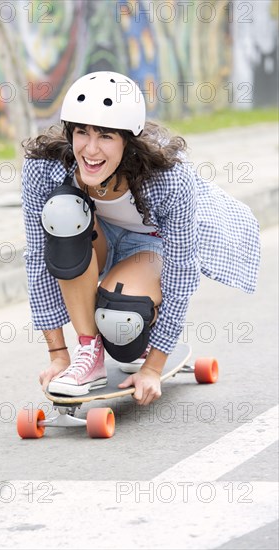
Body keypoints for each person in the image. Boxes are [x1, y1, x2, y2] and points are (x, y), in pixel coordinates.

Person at [21, 71, 260, 406]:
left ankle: (140, 330)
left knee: (121, 325)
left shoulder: (168, 177)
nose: (90, 149)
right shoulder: (44, 169)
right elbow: (37, 256)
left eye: (105, 136)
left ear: (127, 141)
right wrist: (58, 354)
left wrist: (153, 366)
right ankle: (88, 355)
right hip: (95, 240)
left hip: (150, 247)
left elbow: (181, 271)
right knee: (63, 212)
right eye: (81, 132)